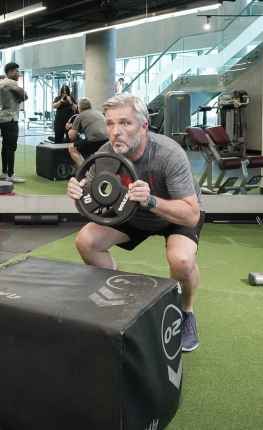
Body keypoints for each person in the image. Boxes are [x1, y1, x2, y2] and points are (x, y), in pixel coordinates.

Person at [67, 93, 204, 352]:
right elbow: (91, 210)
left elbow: (191, 214)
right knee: (87, 241)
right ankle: (120, 303)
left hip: (172, 213)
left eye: (125, 123)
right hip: (130, 212)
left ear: (143, 126)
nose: (115, 132)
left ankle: (186, 313)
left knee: (182, 260)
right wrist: (78, 197)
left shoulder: (167, 154)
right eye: (110, 124)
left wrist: (151, 201)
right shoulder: (105, 154)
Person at [0, 62, 28, 183]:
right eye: (16, 71)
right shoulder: (11, 82)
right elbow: (25, 96)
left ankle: (4, 172)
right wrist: (21, 97)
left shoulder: (2, 83)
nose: (18, 74)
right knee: (11, 147)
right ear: (10, 72)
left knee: (5, 146)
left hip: (4, 118)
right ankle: (11, 174)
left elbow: (19, 97)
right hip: (11, 119)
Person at [66, 97, 109, 167]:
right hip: (108, 140)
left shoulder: (80, 116)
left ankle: (85, 173)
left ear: (79, 107)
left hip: (94, 141)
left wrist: (70, 127)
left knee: (72, 149)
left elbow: (71, 136)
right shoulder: (99, 113)